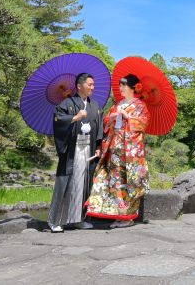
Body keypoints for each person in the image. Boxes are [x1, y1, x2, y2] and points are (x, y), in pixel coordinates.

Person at [86, 74, 150, 228]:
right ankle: (117, 213)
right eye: (120, 85)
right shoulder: (117, 104)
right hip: (114, 148)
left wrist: (128, 117)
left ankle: (128, 216)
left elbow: (144, 123)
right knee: (115, 181)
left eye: (124, 85)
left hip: (130, 152)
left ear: (134, 88)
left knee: (129, 180)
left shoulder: (140, 105)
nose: (121, 88)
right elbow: (106, 122)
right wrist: (112, 117)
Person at [47, 72, 104, 232]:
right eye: (89, 84)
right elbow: (58, 120)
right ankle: (56, 221)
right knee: (66, 183)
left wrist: (99, 146)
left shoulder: (96, 106)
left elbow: (100, 127)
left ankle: (80, 219)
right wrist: (75, 117)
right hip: (72, 150)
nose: (92, 87)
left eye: (93, 84)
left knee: (85, 184)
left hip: (89, 149)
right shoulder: (67, 103)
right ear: (79, 86)